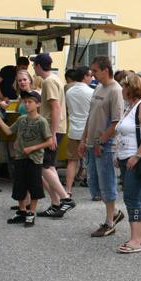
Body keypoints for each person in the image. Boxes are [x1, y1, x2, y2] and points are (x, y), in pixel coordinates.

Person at [78, 56, 125, 237]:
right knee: (95, 184)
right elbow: (90, 117)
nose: (92, 74)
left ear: (106, 70)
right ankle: (113, 213)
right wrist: (84, 140)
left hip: (105, 144)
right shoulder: (98, 87)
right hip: (92, 142)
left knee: (107, 183)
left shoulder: (116, 90)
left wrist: (101, 141)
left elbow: (115, 122)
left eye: (95, 71)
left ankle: (109, 223)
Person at [0, 90, 52, 227]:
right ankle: (22, 211)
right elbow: (8, 131)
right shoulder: (21, 119)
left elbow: (49, 142)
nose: (27, 104)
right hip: (20, 157)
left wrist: (33, 148)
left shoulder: (41, 121)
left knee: (34, 186)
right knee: (19, 185)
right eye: (25, 102)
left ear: (38, 104)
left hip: (34, 159)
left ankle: (31, 213)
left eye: (30, 102)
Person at [113, 73, 141, 253]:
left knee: (131, 197)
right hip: (126, 156)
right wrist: (118, 154)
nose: (121, 90)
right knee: (137, 197)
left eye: (124, 86)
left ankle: (136, 239)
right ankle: (140, 237)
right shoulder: (129, 107)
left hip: (137, 158)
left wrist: (137, 156)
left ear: (132, 88)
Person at [31, 53, 76, 218]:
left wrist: (51, 135)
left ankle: (65, 199)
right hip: (56, 128)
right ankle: (56, 204)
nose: (33, 67)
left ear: (38, 66)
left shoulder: (48, 81)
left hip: (52, 129)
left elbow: (55, 108)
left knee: (44, 166)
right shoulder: (55, 79)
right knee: (49, 166)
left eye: (34, 64)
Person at [64, 66, 94, 195]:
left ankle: (68, 189)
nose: (92, 78)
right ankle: (94, 189)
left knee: (72, 161)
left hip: (74, 130)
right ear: (85, 77)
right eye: (90, 75)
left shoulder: (69, 92)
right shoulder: (91, 92)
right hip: (88, 130)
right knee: (91, 160)